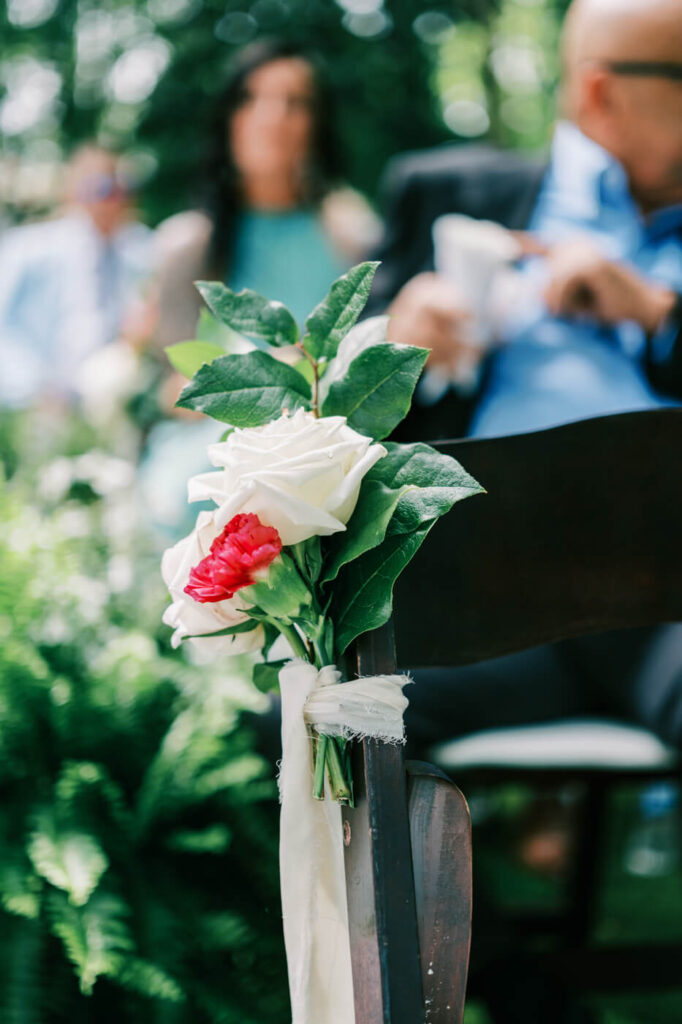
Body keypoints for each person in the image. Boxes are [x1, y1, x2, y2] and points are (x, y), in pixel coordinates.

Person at [362, 0, 682, 757]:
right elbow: (339, 414)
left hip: (668, 605)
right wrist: (396, 349)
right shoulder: (444, 193)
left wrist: (656, 313)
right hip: (488, 601)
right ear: (603, 90)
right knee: (329, 718)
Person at [141, 39, 380, 535]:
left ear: (316, 124)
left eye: (294, 102)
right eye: (253, 98)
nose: (273, 117)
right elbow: (170, 390)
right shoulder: (188, 246)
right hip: (214, 446)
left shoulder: (349, 233)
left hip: (326, 439)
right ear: (230, 116)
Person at [0, 145, 153, 407]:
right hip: (35, 403)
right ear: (73, 191)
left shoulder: (141, 251)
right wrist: (36, 391)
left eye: (122, 188)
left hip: (112, 402)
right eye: (101, 188)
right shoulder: (28, 249)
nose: (113, 200)